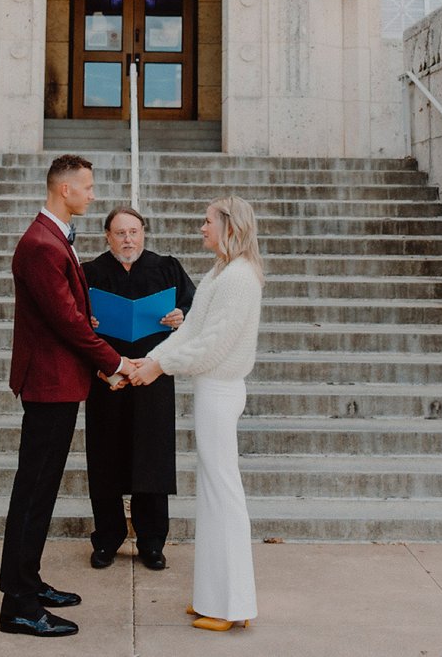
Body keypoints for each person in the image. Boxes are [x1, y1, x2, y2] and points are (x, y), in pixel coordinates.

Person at [0, 154, 142, 639]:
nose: (93, 194)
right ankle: (17, 603)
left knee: (40, 490)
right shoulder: (41, 244)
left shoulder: (52, 238)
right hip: (48, 384)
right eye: (87, 186)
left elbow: (68, 314)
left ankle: (28, 581)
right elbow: (64, 322)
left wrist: (88, 330)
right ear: (64, 190)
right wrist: (116, 362)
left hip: (59, 379)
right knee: (33, 492)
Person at [123, 196, 266, 632]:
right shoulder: (219, 273)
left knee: (224, 493)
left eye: (207, 221)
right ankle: (213, 597)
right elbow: (191, 333)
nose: (201, 227)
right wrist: (149, 362)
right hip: (209, 391)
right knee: (211, 493)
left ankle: (232, 603)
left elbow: (212, 346)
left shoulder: (239, 278)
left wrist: (158, 366)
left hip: (222, 393)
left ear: (228, 226)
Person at [83, 206, 194, 571]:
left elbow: (193, 309)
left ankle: (151, 541)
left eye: (134, 232)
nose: (128, 239)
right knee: (105, 458)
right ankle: (107, 539)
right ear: (107, 236)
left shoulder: (166, 267)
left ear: (143, 232)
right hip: (108, 378)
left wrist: (181, 316)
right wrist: (89, 320)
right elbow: (74, 319)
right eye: (120, 233)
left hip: (153, 375)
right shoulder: (91, 273)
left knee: (152, 457)